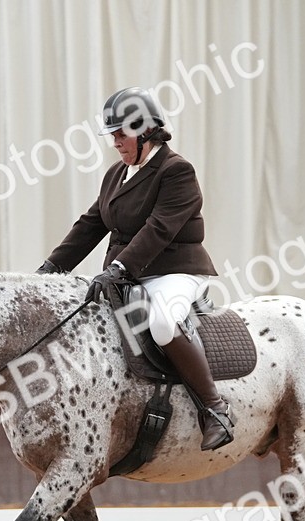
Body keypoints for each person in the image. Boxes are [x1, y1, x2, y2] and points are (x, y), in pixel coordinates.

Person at [36, 87, 233, 450]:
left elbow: (158, 228)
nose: (115, 142)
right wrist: (50, 269)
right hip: (128, 274)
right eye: (111, 135)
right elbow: (90, 225)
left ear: (145, 131)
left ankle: (216, 408)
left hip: (175, 272)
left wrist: (119, 266)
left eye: (120, 133)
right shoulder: (118, 173)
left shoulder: (177, 171)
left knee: (162, 322)